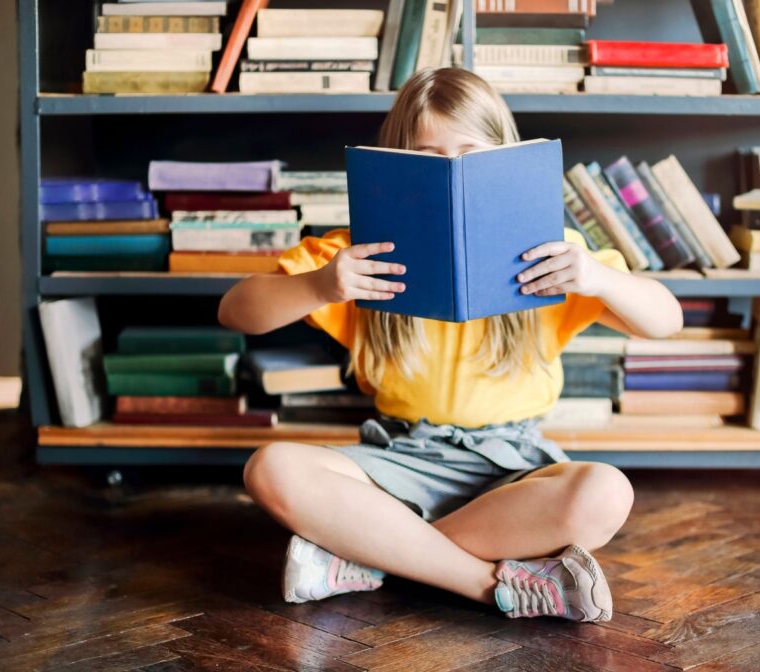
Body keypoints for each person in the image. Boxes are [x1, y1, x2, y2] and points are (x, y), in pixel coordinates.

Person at [218, 67, 683, 623]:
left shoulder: (553, 255)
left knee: (606, 492)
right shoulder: (358, 257)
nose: (450, 170)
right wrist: (320, 284)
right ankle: (485, 584)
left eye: (468, 153)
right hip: (402, 458)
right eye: (429, 156)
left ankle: (371, 555)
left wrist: (600, 278)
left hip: (514, 465)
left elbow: (666, 320)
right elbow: (236, 311)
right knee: (271, 467)